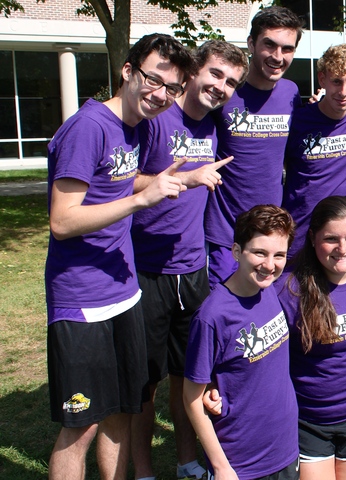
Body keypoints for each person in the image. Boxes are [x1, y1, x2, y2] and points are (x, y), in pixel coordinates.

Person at [44, 33, 194, 480]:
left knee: (121, 410)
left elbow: (115, 181)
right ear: (127, 71)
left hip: (125, 292)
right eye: (153, 79)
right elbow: (63, 221)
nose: (161, 94)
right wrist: (140, 203)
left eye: (171, 88)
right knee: (82, 424)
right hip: (81, 301)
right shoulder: (87, 128)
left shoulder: (133, 127)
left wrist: (174, 180)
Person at [129, 40, 248, 480]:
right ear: (194, 70)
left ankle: (185, 460)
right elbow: (120, 179)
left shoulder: (213, 125)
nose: (221, 87)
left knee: (188, 377)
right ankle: (142, 471)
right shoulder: (156, 119)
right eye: (216, 74)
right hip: (145, 271)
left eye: (231, 82)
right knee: (146, 384)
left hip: (193, 269)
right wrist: (179, 178)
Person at [183, 205, 299, 480]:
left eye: (279, 255)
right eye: (259, 252)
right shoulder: (213, 316)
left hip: (285, 448)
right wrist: (222, 467)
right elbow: (191, 398)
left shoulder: (270, 290)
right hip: (241, 461)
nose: (270, 265)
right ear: (236, 251)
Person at [277, 196, 346, 479]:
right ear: (312, 238)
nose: (342, 248)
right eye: (331, 239)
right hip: (307, 419)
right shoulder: (287, 290)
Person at [206, 6, 304, 287]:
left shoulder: (291, 93)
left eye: (287, 48)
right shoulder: (225, 91)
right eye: (269, 45)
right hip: (227, 236)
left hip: (273, 239)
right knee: (226, 314)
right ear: (251, 44)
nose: (277, 56)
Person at [282, 44, 346, 260]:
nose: (343, 92)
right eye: (336, 81)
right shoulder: (297, 120)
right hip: (298, 235)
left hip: (342, 239)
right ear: (322, 79)